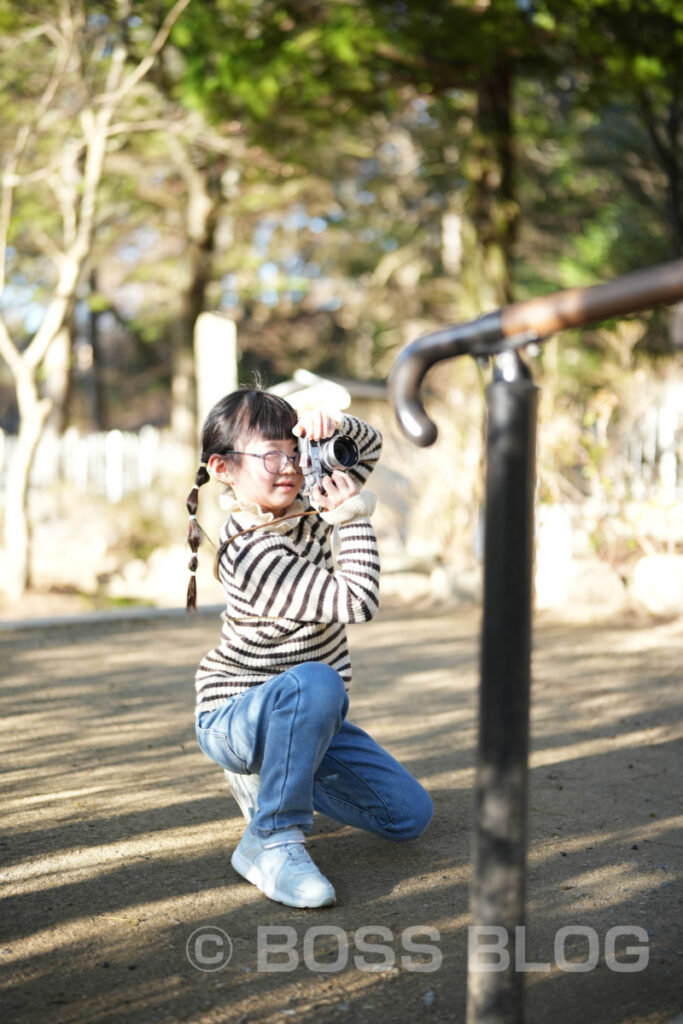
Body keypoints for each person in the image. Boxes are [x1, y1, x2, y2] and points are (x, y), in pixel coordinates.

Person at [185, 386, 432, 909]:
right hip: (235, 716)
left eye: (294, 451)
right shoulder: (252, 553)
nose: (289, 467)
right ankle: (270, 841)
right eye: (270, 454)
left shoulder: (307, 503)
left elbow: (367, 448)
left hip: (308, 716)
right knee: (317, 678)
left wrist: (331, 425)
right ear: (224, 468)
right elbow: (356, 601)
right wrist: (355, 518)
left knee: (408, 815)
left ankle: (277, 778)